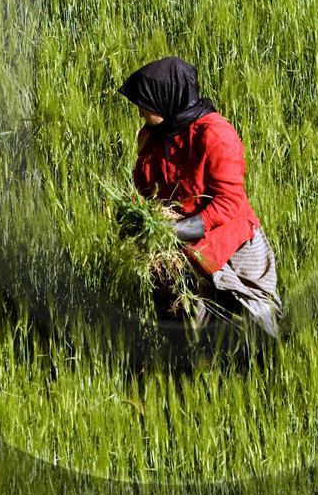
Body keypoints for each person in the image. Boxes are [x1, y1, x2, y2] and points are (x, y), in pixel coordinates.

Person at [116, 56, 281, 349]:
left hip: (232, 247)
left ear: (167, 98)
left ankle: (267, 369)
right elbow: (143, 185)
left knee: (255, 326)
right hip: (180, 252)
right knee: (185, 330)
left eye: (145, 104)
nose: (140, 111)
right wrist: (134, 213)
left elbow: (228, 202)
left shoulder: (215, 134)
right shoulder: (150, 136)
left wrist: (177, 230)